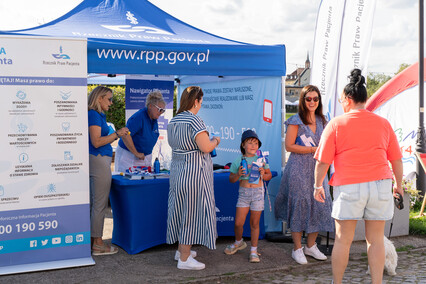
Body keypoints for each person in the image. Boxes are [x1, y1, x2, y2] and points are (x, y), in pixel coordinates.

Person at [313, 69, 403, 284]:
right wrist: (398, 186)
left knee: (343, 241)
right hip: (381, 184)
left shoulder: (336, 124)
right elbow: (396, 160)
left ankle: (337, 283)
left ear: (348, 99)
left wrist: (318, 186)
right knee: (376, 241)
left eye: (342, 99)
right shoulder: (383, 123)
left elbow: (323, 161)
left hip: (349, 186)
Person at [274, 85, 334, 265]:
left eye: (315, 99)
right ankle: (297, 248)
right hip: (299, 170)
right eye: (309, 99)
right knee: (299, 206)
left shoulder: (323, 121)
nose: (312, 102)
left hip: (318, 170)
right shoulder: (295, 121)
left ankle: (311, 245)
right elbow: (289, 146)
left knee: (319, 206)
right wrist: (312, 149)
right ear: (303, 100)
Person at [166, 86, 221, 270]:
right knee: (191, 213)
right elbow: (206, 147)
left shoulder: (174, 120)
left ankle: (182, 250)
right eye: (201, 101)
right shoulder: (195, 120)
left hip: (177, 172)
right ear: (196, 101)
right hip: (194, 174)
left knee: (180, 211)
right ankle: (184, 258)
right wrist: (216, 141)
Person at [88, 86, 129, 255]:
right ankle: (98, 243)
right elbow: (96, 141)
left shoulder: (97, 115)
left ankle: (94, 241)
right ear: (99, 98)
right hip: (98, 160)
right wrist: (117, 134)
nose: (112, 103)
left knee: (96, 204)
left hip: (98, 160)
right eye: (109, 99)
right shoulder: (93, 115)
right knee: (99, 204)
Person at [224, 130, 272, 263]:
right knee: (239, 223)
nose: (253, 145)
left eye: (256, 143)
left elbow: (268, 175)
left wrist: (264, 173)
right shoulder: (238, 160)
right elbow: (231, 179)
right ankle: (238, 242)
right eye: (250, 143)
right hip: (244, 194)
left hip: (258, 193)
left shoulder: (261, 159)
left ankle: (253, 250)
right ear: (243, 145)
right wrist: (238, 174)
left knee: (254, 224)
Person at [114, 91, 166, 173]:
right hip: (128, 157)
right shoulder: (139, 117)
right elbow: (125, 135)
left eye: (163, 110)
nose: (161, 113)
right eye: (159, 109)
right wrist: (136, 153)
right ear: (150, 106)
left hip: (144, 158)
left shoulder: (153, 118)